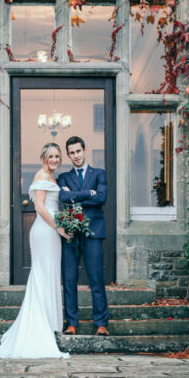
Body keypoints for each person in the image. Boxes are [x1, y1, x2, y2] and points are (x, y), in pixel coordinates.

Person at [0, 143, 70, 359]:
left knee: (50, 274)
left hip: (53, 230)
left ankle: (49, 322)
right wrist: (58, 227)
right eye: (51, 156)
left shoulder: (54, 178)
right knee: (42, 274)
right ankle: (39, 325)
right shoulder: (41, 175)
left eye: (57, 156)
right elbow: (39, 206)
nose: (54, 160)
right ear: (43, 157)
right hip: (45, 231)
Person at [57, 136, 110, 336]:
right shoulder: (63, 177)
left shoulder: (99, 174)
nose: (76, 156)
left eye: (78, 151)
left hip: (93, 232)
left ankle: (101, 324)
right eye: (72, 153)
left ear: (84, 150)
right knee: (69, 279)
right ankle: (71, 323)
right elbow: (63, 197)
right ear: (68, 155)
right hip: (70, 232)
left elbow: (102, 198)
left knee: (96, 279)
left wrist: (75, 196)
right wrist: (89, 192)